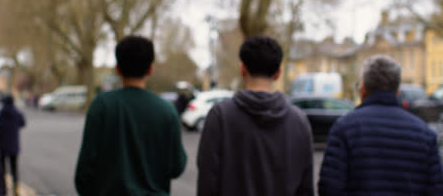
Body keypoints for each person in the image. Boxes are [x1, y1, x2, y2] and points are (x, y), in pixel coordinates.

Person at [197, 35, 314, 196]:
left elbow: (207, 185)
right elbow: (305, 188)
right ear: (278, 73)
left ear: (242, 69)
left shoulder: (220, 117)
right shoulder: (300, 121)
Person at [319, 55, 443, 196]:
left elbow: (329, 188)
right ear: (397, 91)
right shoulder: (424, 133)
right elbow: (438, 190)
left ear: (363, 90)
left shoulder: (343, 129)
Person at [75, 35, 187, 196]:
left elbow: (85, 170)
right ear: (150, 69)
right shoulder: (166, 111)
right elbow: (177, 167)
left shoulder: (101, 105)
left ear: (118, 68)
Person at [0, 95, 25, 196]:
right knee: (14, 167)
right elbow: (23, 123)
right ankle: (15, 185)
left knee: (2, 168)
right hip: (14, 145)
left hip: (2, 146)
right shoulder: (17, 113)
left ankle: (3, 187)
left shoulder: (0, 113)